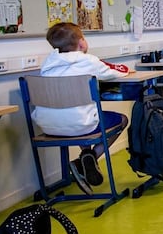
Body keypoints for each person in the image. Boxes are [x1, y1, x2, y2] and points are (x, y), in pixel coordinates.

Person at [33, 22, 133, 193]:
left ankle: (86, 157)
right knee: (120, 120)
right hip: (82, 125)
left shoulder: (47, 65)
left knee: (78, 117)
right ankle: (90, 158)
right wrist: (125, 70)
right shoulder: (88, 61)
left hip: (48, 127)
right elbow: (116, 71)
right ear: (81, 43)